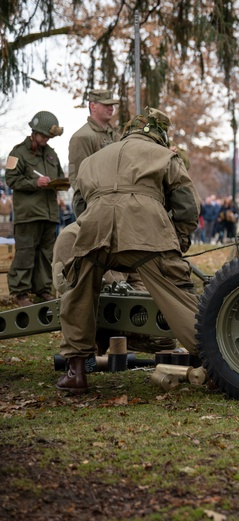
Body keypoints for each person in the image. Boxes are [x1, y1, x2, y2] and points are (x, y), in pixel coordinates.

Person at [55, 107, 201, 394]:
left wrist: (91, 228)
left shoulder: (93, 160)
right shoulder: (164, 156)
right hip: (145, 230)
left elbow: (80, 205)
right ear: (160, 134)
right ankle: (219, 358)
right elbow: (187, 206)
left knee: (78, 293)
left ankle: (76, 372)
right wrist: (178, 243)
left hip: (95, 229)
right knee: (178, 293)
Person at [5, 111, 66, 307]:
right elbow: (11, 179)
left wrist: (61, 183)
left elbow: (60, 175)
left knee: (45, 255)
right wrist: (35, 182)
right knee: (25, 253)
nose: (47, 139)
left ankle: (43, 290)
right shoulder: (17, 152)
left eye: (50, 137)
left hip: (49, 214)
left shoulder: (51, 153)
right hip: (28, 214)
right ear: (35, 132)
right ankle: (20, 293)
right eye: (45, 135)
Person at [67, 88, 120, 188]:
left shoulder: (115, 135)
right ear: (92, 106)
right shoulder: (82, 137)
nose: (111, 108)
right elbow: (78, 180)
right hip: (97, 201)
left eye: (112, 105)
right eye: (106, 105)